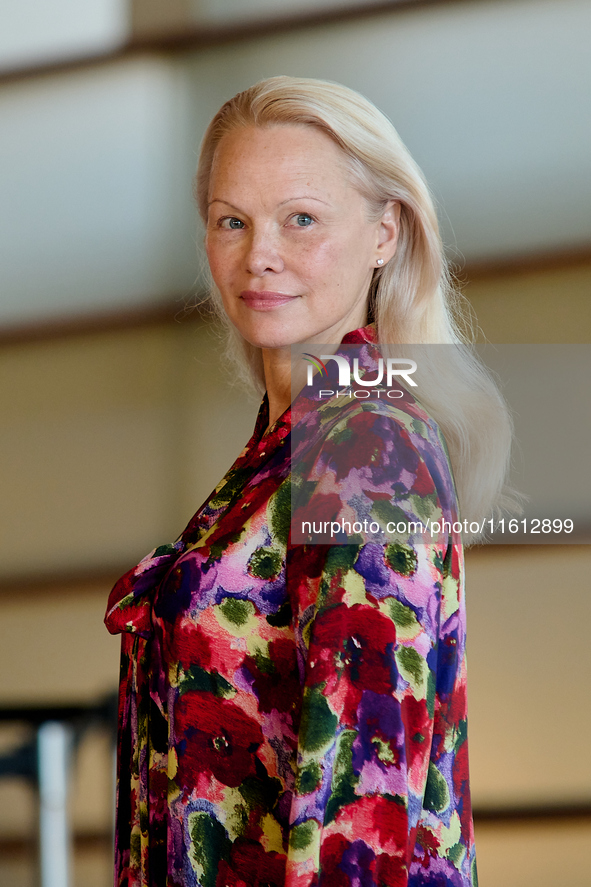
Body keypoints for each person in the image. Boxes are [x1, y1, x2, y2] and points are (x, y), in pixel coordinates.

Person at [105, 76, 512, 887]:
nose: (259, 252)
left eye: (301, 219)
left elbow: (363, 794)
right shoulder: (281, 450)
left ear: (383, 234)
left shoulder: (366, 443)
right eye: (231, 220)